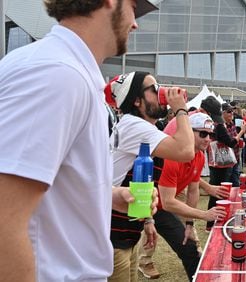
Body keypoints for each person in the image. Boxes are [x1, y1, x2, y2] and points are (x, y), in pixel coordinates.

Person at [0, 0, 159, 280]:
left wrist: (110, 195)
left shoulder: (67, 71)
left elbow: (51, 183)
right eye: (134, 6)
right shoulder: (57, 74)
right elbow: (5, 221)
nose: (135, 23)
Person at [105, 71, 194, 281]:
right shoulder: (135, 126)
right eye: (154, 89)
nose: (161, 93)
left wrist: (147, 219)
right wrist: (180, 109)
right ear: (137, 100)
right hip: (112, 234)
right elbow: (186, 151)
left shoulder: (136, 126)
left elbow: (140, 179)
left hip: (125, 231)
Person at [150, 113, 226, 281]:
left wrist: (190, 223)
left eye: (211, 135)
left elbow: (193, 190)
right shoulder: (172, 156)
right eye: (203, 133)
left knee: (189, 248)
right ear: (188, 132)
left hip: (161, 206)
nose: (208, 139)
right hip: (150, 205)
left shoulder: (198, 156)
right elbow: (168, 202)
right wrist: (204, 215)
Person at [205, 97, 246, 230]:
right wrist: (241, 133)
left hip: (221, 163)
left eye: (232, 112)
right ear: (221, 113)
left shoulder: (216, 125)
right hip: (222, 164)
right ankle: (211, 223)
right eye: (228, 112)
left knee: (220, 191)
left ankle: (214, 220)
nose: (231, 114)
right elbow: (231, 142)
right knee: (218, 192)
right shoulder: (219, 126)